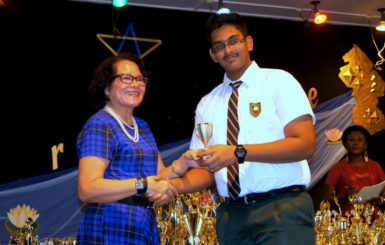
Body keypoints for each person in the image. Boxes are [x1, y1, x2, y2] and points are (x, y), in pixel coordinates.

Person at [187, 12, 316, 245]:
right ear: (213, 55)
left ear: (249, 43)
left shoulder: (278, 81)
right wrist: (171, 185)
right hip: (230, 215)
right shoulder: (207, 103)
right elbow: (204, 166)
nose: (228, 50)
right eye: (219, 46)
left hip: (282, 207)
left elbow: (305, 144)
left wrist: (238, 152)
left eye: (234, 41)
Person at [76, 52, 210, 245]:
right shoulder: (100, 124)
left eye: (140, 79)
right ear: (106, 87)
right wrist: (143, 184)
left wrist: (179, 166)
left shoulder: (142, 127)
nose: (136, 84)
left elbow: (157, 178)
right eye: (126, 78)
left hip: (142, 226)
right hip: (110, 227)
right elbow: (87, 189)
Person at [324, 125, 385, 215]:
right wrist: (345, 196)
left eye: (360, 140)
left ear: (366, 145)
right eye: (351, 140)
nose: (355, 143)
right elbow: (326, 200)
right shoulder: (337, 167)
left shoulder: (375, 166)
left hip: (373, 218)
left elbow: (384, 194)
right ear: (345, 144)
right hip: (347, 218)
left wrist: (380, 200)